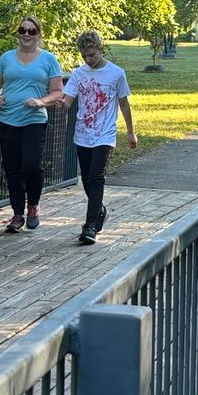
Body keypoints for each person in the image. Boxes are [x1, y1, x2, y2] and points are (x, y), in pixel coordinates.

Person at [0, 16, 64, 233]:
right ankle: (17, 214)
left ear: (39, 34)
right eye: (22, 30)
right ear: (18, 33)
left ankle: (33, 206)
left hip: (34, 120)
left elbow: (57, 91)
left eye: (31, 31)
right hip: (7, 120)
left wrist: (40, 101)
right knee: (12, 169)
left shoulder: (49, 60)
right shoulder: (6, 58)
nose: (26, 34)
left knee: (31, 166)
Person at [61, 31, 138, 245]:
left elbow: (123, 103)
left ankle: (90, 226)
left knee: (96, 177)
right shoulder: (79, 74)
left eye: (92, 55)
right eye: (84, 56)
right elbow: (68, 100)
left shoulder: (116, 73)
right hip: (83, 133)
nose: (88, 60)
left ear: (101, 50)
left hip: (105, 134)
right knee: (86, 179)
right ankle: (99, 210)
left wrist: (130, 131)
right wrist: (60, 103)